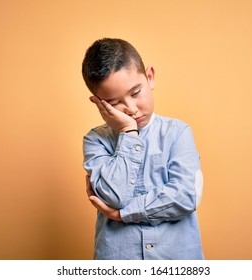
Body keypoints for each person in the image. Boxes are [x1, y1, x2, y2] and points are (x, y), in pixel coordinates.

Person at [81, 38, 204, 260]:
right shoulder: (95, 141)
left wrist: (123, 214)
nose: (130, 108)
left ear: (150, 77)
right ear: (99, 103)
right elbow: (114, 196)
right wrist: (128, 131)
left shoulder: (177, 133)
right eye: (114, 102)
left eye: (136, 92)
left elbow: (186, 196)